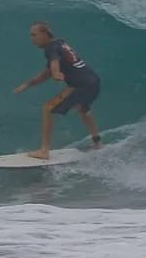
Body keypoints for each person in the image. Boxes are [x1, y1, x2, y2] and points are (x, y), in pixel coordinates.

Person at [13, 21, 101, 159]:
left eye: (34, 35)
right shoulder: (60, 43)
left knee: (48, 108)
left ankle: (44, 151)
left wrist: (56, 73)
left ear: (44, 34)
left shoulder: (50, 48)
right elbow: (47, 72)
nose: (32, 38)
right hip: (93, 81)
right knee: (84, 110)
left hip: (80, 85)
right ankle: (98, 143)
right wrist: (28, 84)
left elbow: (54, 65)